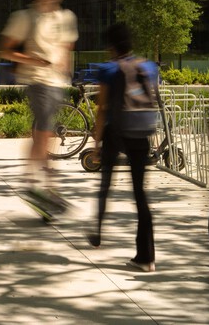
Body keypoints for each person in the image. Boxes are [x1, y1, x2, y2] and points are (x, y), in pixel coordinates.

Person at [0, 0, 77, 217]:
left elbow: (66, 48)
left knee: (44, 135)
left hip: (57, 83)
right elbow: (5, 51)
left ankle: (41, 186)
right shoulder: (24, 17)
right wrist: (32, 59)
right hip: (36, 81)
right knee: (44, 132)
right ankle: (39, 186)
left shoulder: (66, 18)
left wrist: (64, 67)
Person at [85, 22, 157, 272]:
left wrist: (96, 143)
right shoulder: (148, 66)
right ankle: (146, 257)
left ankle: (97, 231)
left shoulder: (108, 69)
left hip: (117, 131)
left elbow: (102, 107)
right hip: (141, 132)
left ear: (111, 45)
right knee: (140, 194)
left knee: (106, 184)